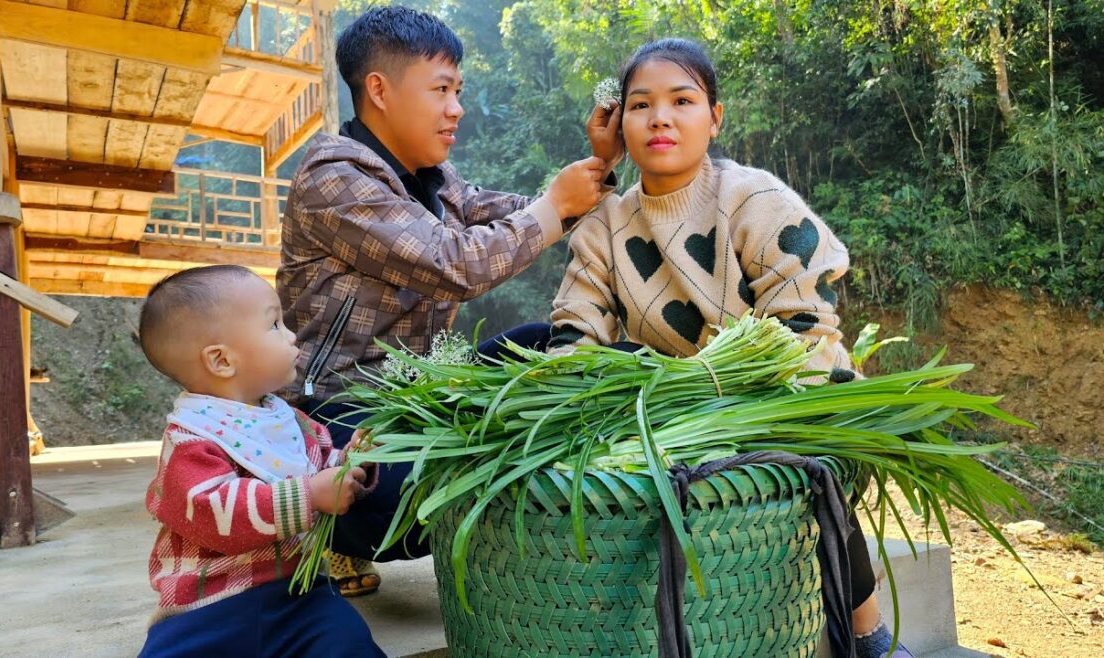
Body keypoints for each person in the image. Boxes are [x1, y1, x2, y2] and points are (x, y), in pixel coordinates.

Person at [550, 38, 912, 658]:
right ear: (618, 124)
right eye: (640, 105)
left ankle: (868, 633)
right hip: (667, 406)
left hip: (781, 388)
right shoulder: (604, 226)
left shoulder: (754, 200)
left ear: (715, 117)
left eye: (682, 100)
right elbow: (573, 331)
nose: (660, 117)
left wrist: (733, 398)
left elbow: (804, 323)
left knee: (807, 464)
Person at [277, 5, 607, 593]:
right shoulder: (333, 177)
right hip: (337, 409)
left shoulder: (437, 178)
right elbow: (455, 262)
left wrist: (602, 165)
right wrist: (555, 206)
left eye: (458, 90)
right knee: (409, 499)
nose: (456, 109)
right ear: (379, 89)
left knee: (553, 342)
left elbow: (518, 212)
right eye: (442, 90)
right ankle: (325, 527)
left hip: (415, 396)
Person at [135, 265, 384, 658]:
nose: (292, 337)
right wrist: (309, 496)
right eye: (275, 325)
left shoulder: (290, 421)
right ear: (221, 360)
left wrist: (355, 461)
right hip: (211, 607)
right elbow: (216, 511)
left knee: (347, 640)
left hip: (298, 595)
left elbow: (319, 467)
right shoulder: (190, 440)